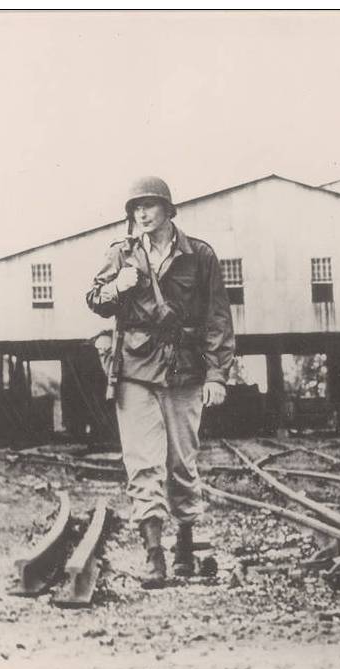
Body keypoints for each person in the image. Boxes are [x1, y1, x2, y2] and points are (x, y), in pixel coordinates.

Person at [87, 175, 235, 588]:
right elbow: (96, 300)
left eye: (150, 205)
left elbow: (218, 319)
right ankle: (154, 555)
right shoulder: (122, 254)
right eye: (136, 208)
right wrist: (119, 286)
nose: (143, 213)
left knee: (181, 463)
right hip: (134, 370)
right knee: (143, 463)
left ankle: (185, 546)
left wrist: (218, 374)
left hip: (184, 370)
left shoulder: (200, 256)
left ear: (169, 210)